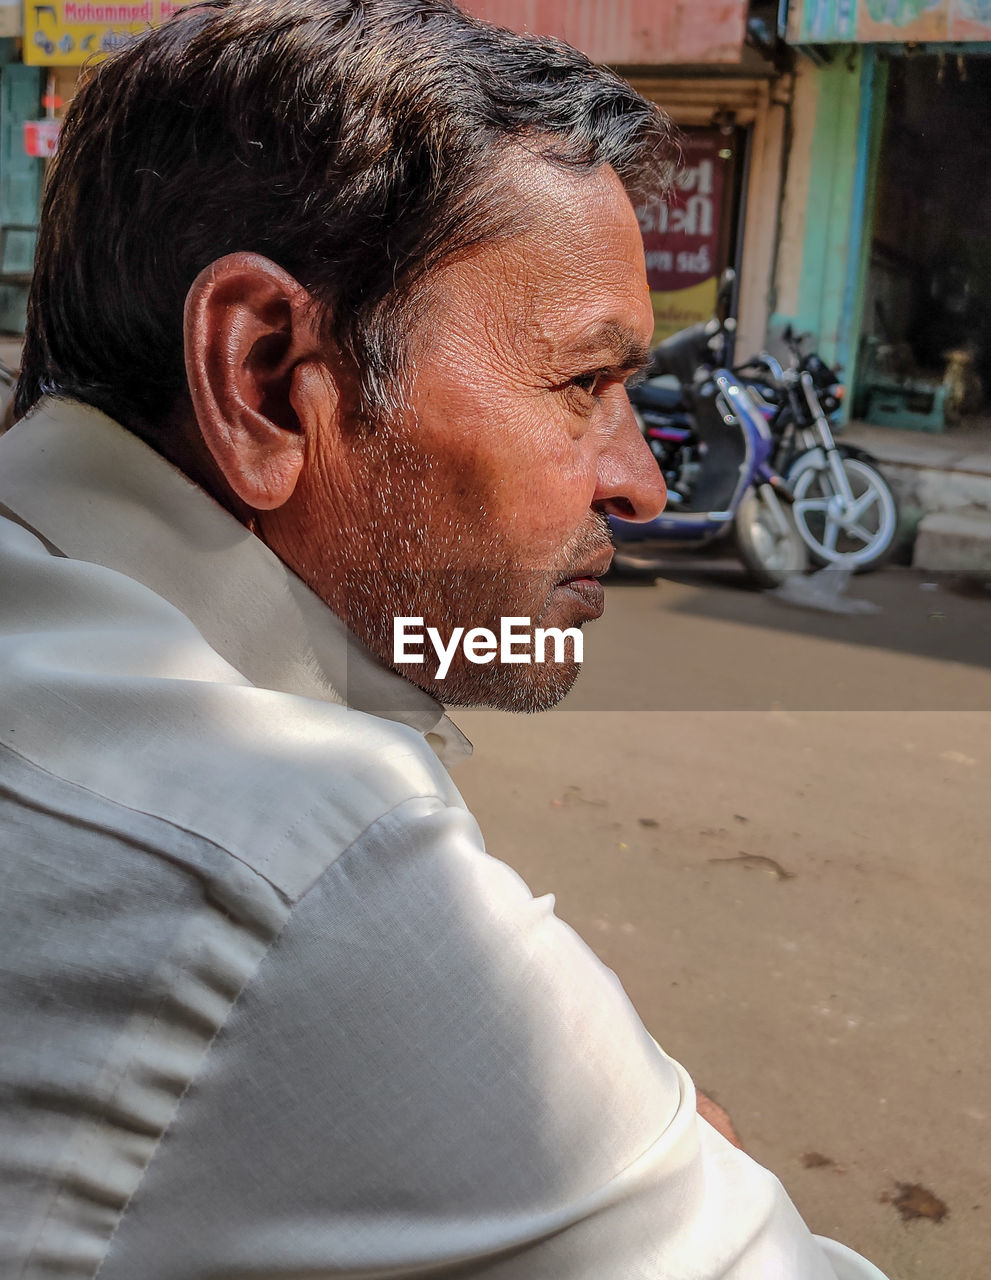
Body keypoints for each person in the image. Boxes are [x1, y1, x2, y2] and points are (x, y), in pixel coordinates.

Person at [0, 2, 888, 1276]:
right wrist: (670, 1156)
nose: (637, 479)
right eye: (584, 383)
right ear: (262, 376)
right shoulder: (302, 864)